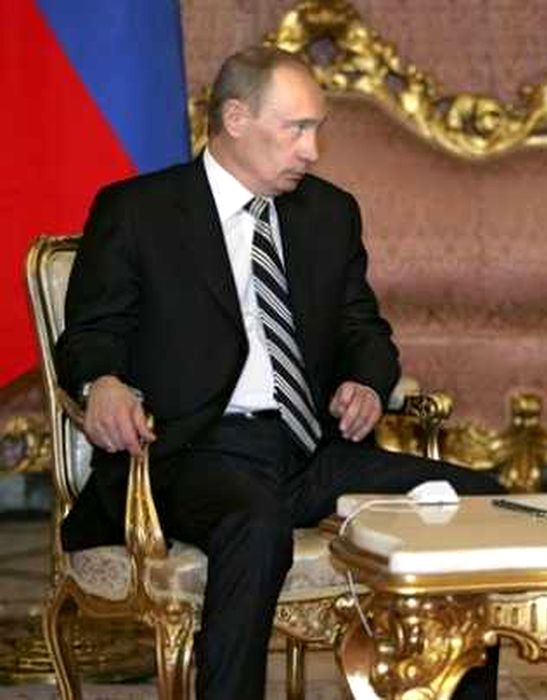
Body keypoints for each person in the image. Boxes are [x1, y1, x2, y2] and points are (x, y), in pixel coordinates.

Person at [56, 47, 501, 700]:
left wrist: (365, 382)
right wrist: (104, 383)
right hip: (189, 453)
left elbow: (364, 331)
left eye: (317, 129)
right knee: (255, 522)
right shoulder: (140, 211)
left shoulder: (329, 213)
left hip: (308, 451)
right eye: (296, 129)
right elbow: (91, 333)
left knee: (480, 502)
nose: (312, 151)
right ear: (236, 118)